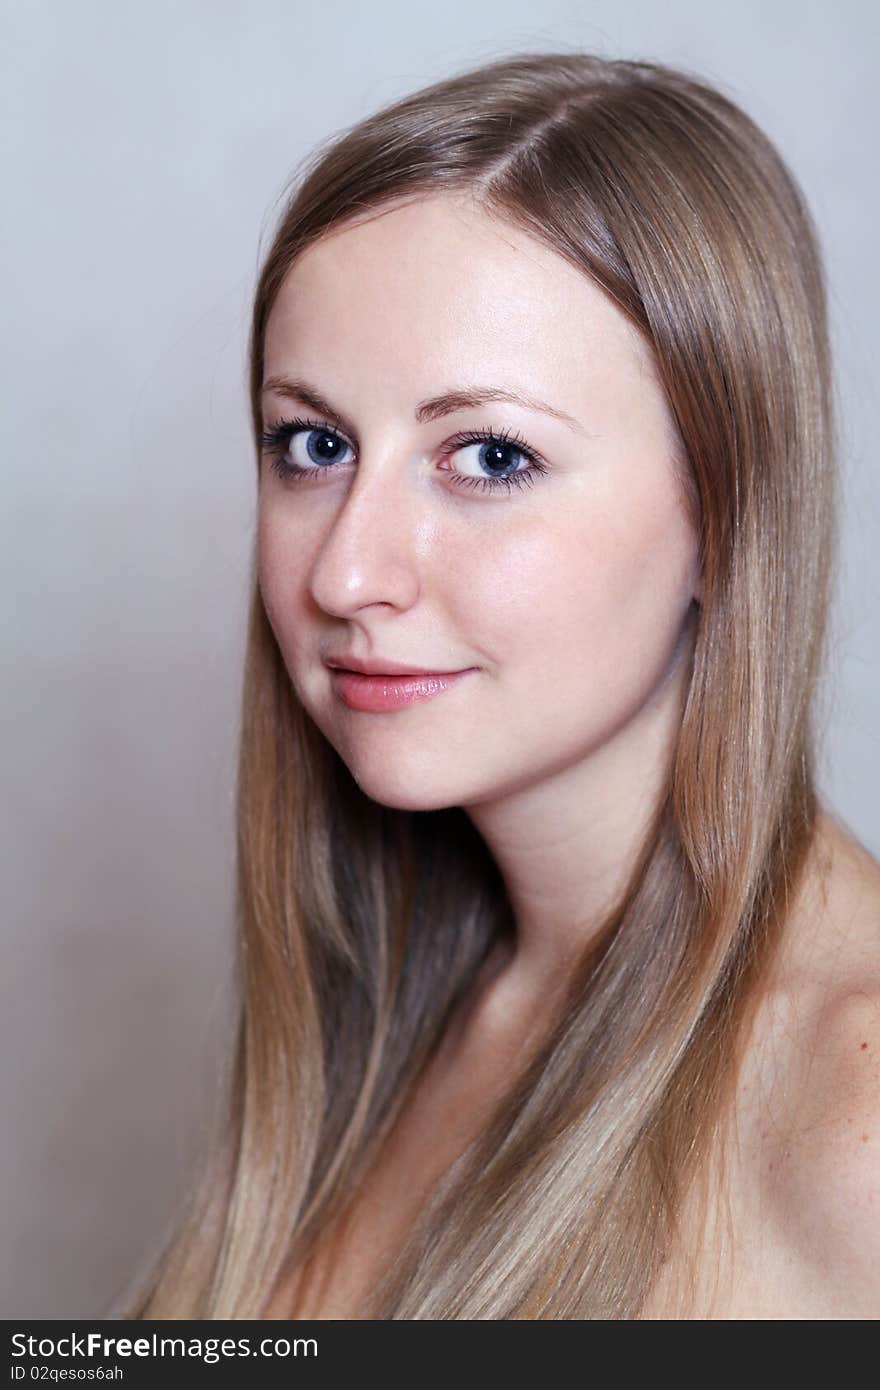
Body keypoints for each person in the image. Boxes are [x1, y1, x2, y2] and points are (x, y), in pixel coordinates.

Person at [121, 50, 880, 1320]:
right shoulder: (393, 999)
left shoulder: (849, 1116)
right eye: (312, 445)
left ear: (725, 509)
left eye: (487, 454)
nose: (347, 572)